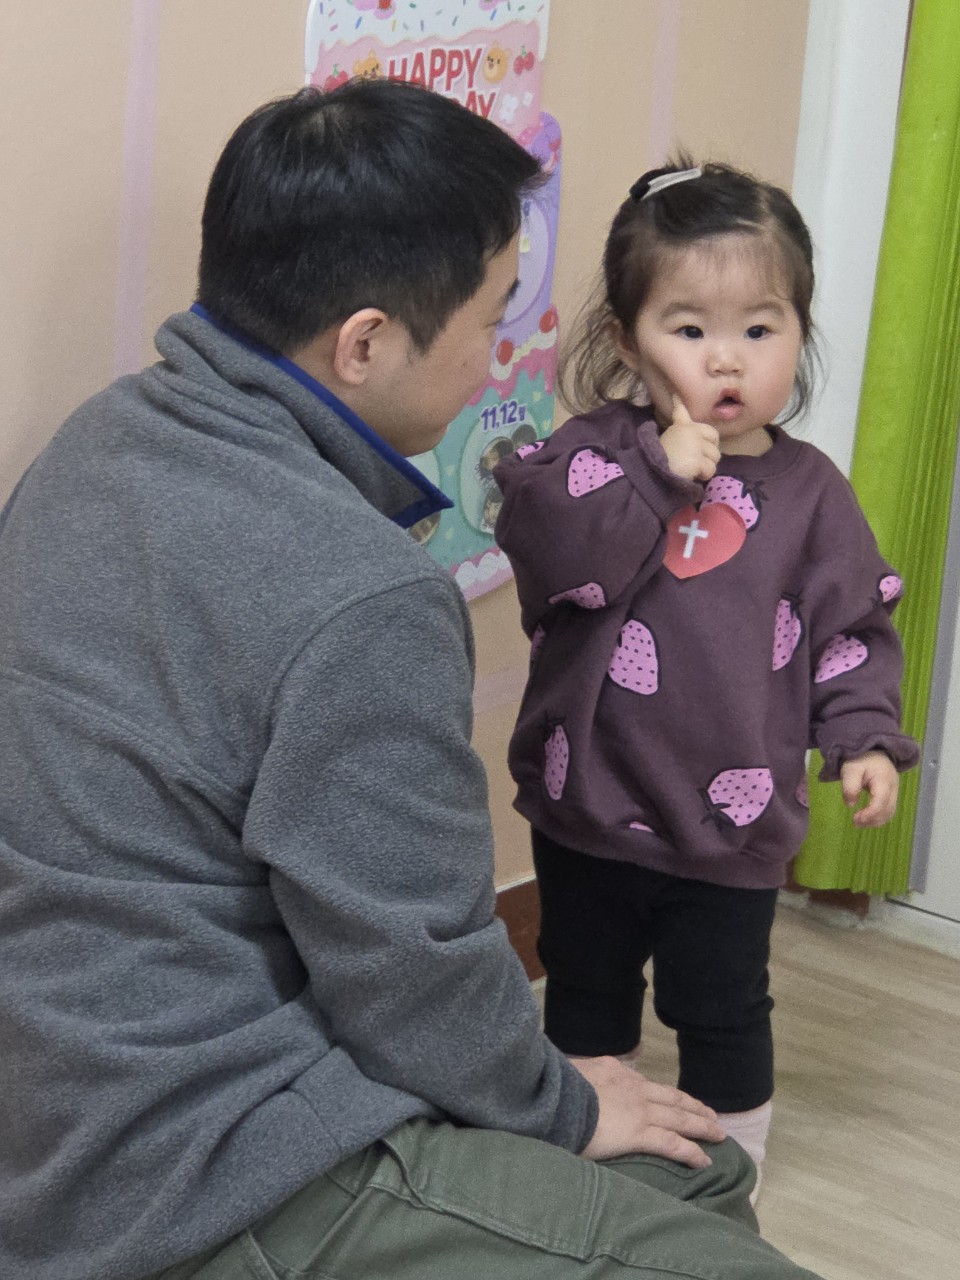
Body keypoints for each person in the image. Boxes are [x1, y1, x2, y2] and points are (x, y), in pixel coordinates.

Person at [0, 84, 826, 1280]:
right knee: (703, 1198)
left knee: (698, 1168)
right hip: (197, 1156)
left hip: (58, 1088)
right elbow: (412, 972)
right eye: (492, 319)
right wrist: (561, 1102)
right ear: (366, 342)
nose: (497, 358)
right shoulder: (363, 592)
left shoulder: (97, 439)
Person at [493, 159, 919, 1191]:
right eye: (689, 328)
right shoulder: (592, 458)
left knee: (721, 1006)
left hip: (733, 822)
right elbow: (551, 554)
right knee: (585, 988)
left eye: (760, 329)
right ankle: (587, 1146)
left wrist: (862, 735)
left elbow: (851, 630)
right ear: (625, 341)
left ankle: (727, 1182)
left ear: (800, 335)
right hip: (588, 806)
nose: (726, 358)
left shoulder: (812, 495)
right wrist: (654, 470)